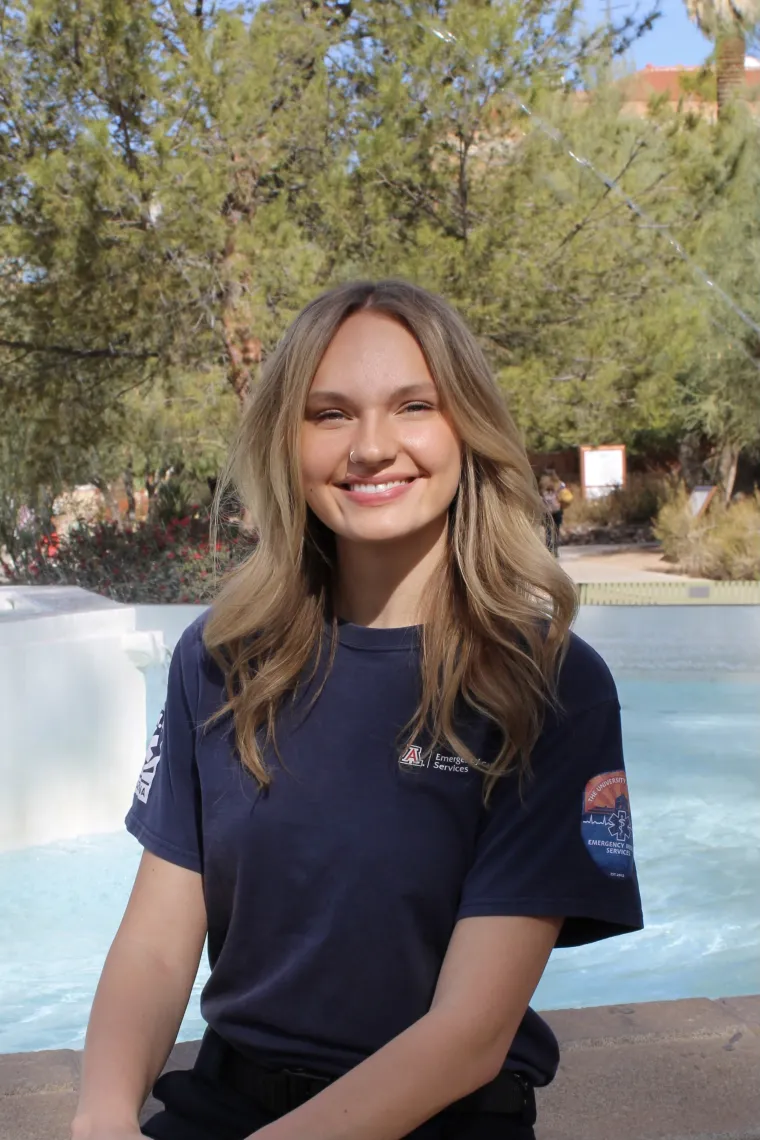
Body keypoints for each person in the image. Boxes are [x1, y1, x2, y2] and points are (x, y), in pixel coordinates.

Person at [71, 280, 643, 1140]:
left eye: (414, 405)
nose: (371, 447)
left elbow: (469, 1035)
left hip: (441, 1119)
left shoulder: (549, 685)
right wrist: (103, 1117)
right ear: (286, 442)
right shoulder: (221, 659)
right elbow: (156, 947)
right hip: (225, 1104)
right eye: (329, 414)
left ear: (467, 428)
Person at [538, 469, 571, 555]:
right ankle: (556, 550)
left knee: (548, 530)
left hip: (547, 511)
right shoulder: (560, 484)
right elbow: (564, 494)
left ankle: (549, 549)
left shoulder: (543, 483)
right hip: (557, 510)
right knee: (557, 530)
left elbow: (540, 496)